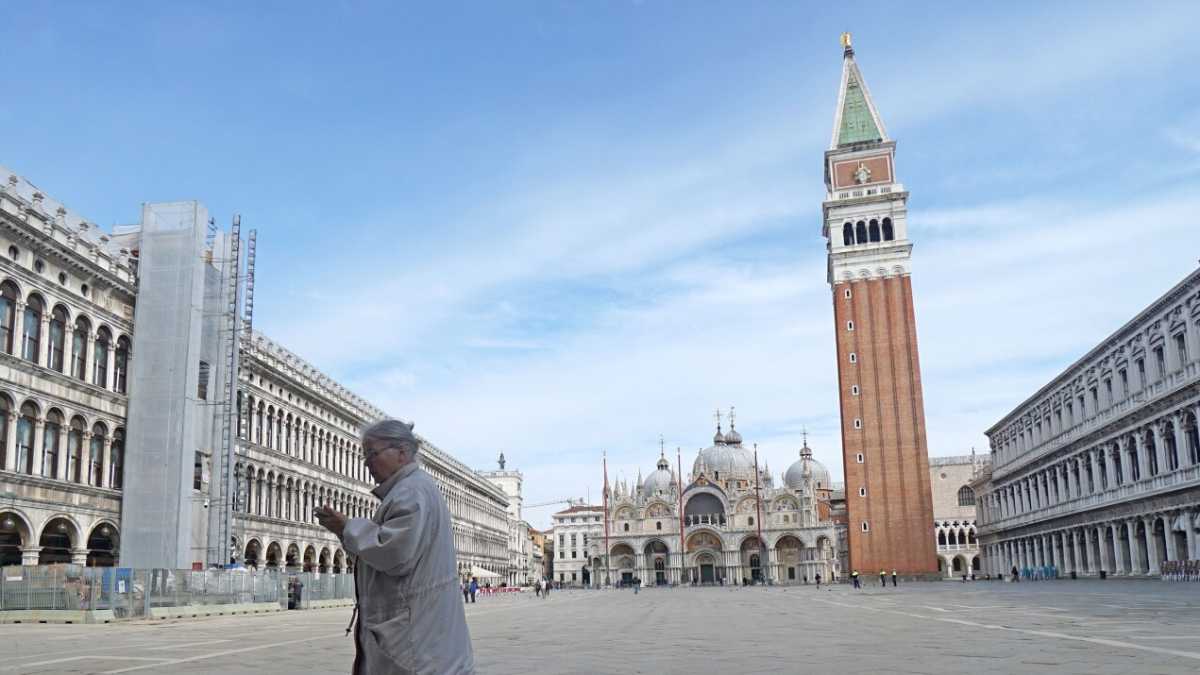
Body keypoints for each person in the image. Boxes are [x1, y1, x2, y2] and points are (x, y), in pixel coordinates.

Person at [316, 418, 474, 674]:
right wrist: (345, 531)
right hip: (423, 640)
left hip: (416, 645)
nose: (366, 462)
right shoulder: (412, 489)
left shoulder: (412, 491)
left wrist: (347, 527)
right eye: (364, 455)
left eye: (372, 453)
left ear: (402, 452)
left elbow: (393, 553)